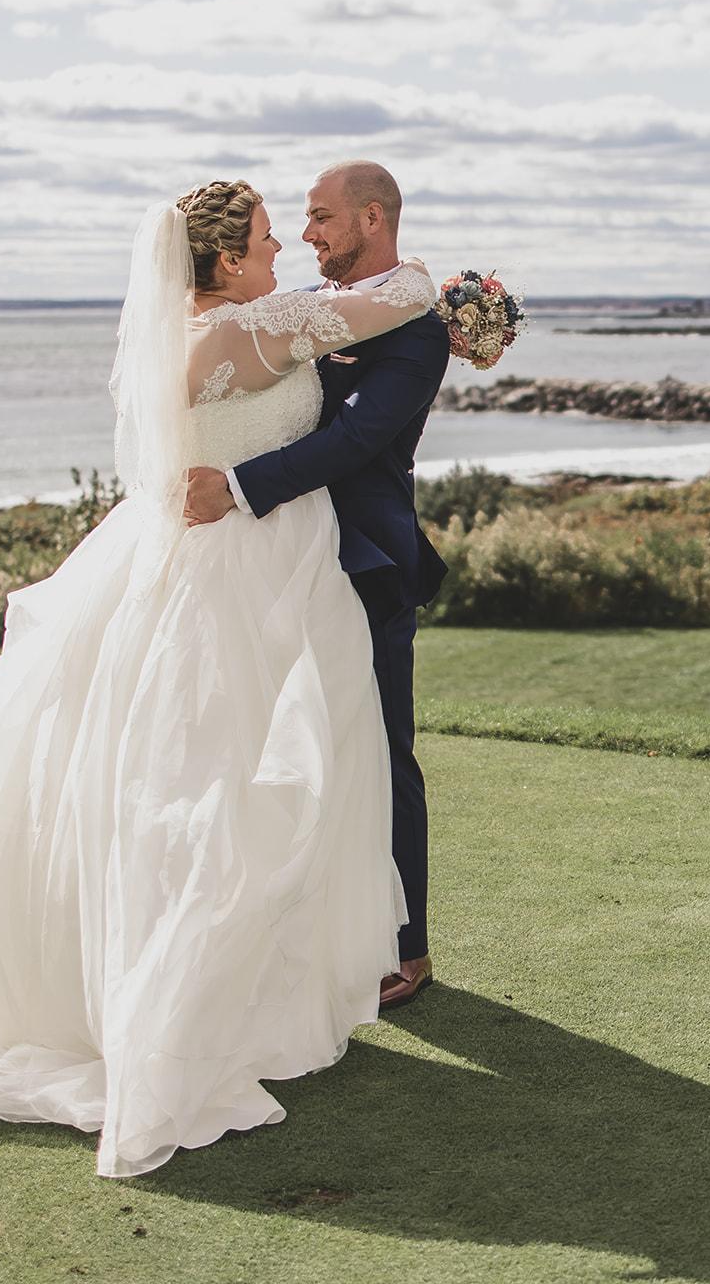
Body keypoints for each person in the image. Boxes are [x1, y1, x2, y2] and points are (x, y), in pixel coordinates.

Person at [0, 179, 438, 1179]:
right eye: (265, 237)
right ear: (224, 259)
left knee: (192, 778)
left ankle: (209, 977)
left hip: (200, 564)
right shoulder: (253, 329)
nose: (283, 245)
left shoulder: (189, 334)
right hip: (249, 575)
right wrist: (454, 291)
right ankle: (199, 995)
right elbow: (399, 297)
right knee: (244, 785)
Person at [184, 162, 450, 1010]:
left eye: (321, 218)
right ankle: (287, 930)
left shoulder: (418, 330)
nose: (305, 236)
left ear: (371, 218)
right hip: (264, 562)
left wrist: (237, 484)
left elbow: (357, 439)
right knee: (255, 746)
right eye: (294, 222)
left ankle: (404, 947)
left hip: (363, 558)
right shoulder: (296, 305)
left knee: (379, 751)